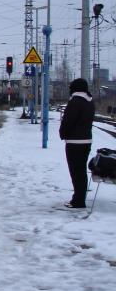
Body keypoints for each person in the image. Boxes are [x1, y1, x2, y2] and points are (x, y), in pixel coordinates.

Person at [59, 77, 95, 208]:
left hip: (74, 142)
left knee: (76, 172)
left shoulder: (75, 102)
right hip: (86, 141)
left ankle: (78, 201)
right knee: (81, 171)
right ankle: (80, 198)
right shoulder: (89, 101)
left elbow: (68, 121)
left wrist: (62, 133)